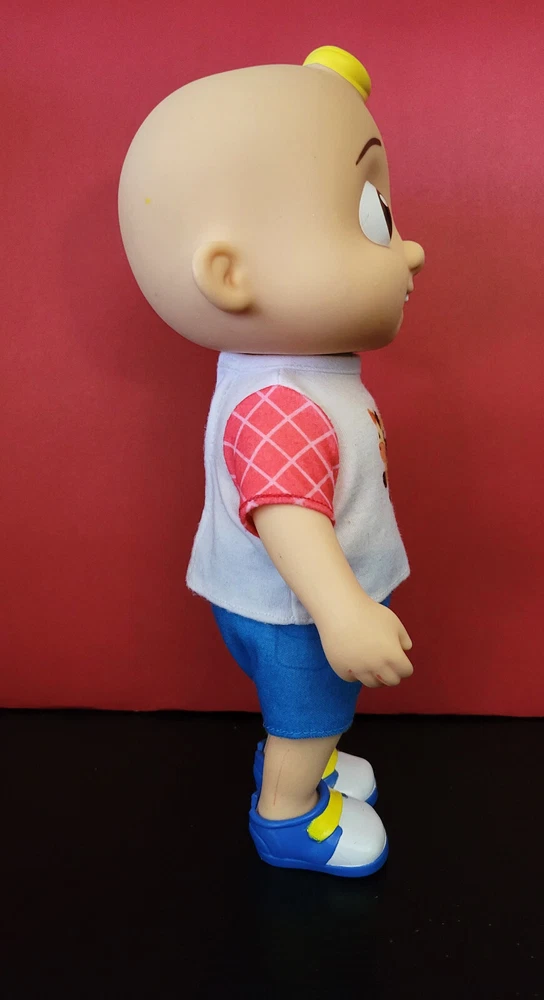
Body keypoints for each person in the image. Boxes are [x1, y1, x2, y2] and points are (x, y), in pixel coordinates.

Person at [118, 45, 425, 876]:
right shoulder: (280, 399)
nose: (411, 253)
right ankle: (289, 816)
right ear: (230, 275)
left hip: (296, 606)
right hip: (299, 614)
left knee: (312, 711)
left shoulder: (293, 376)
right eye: (373, 219)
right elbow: (286, 514)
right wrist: (343, 611)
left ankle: (306, 761)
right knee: (310, 711)